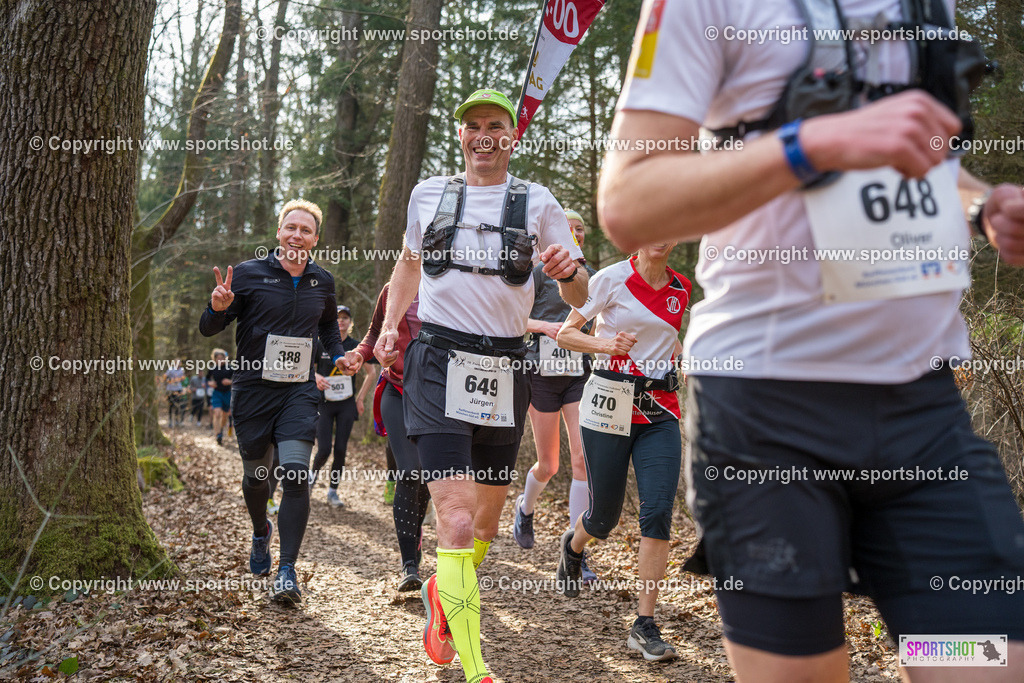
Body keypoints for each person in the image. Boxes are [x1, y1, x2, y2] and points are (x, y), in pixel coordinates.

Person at [600, 2, 1024, 680]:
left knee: (984, 659)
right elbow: (629, 202)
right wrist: (811, 145)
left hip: (923, 413)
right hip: (768, 416)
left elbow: (925, 161)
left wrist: (981, 206)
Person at [373, 88, 588, 683]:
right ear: (461, 135)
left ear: (512, 137)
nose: (484, 135)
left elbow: (579, 291)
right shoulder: (428, 194)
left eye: (496, 124)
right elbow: (409, 262)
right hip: (438, 362)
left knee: (486, 527)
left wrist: (568, 274)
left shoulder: (538, 201)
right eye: (473, 125)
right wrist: (389, 326)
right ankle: (475, 667)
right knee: (457, 517)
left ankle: (444, 594)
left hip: (505, 368)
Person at [199, 198, 352, 605]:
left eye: (306, 230)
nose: (297, 235)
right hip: (252, 389)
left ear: (316, 239)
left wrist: (338, 356)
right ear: (279, 232)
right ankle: (260, 530)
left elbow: (327, 329)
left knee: (296, 475)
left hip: (298, 391)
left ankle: (287, 570)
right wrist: (216, 308)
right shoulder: (250, 274)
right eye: (291, 228)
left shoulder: (322, 281)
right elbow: (208, 329)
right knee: (256, 478)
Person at [555, 242, 689, 662]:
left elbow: (667, 336)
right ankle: (573, 545)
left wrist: (684, 358)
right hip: (608, 407)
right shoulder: (611, 278)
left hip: (660, 411)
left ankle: (644, 624)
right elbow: (566, 333)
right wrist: (606, 345)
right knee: (604, 518)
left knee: (658, 511)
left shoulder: (681, 288)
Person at [513, 209, 598, 584]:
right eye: (569, 228)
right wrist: (545, 326)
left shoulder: (591, 275)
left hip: (578, 374)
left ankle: (575, 553)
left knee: (582, 459)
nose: (575, 233)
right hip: (540, 372)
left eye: (581, 229)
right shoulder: (535, 271)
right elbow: (512, 317)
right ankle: (525, 508)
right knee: (548, 465)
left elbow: (599, 320)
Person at [349, 282, 427, 591]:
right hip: (396, 388)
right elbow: (373, 333)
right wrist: (359, 354)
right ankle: (409, 564)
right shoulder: (394, 288)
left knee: (429, 478)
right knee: (409, 473)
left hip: (438, 396)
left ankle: (415, 533)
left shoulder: (454, 283)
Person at [310, 305, 360, 507]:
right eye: (338, 317)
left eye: (345, 317)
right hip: (324, 403)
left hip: (346, 403)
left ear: (350, 322)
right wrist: (316, 376)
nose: (341, 321)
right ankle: (310, 481)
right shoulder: (321, 343)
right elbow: (307, 367)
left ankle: (333, 492)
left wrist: (360, 399)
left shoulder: (355, 345)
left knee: (340, 449)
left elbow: (371, 372)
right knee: (323, 449)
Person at [206, 349, 233, 445]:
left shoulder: (230, 368)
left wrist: (230, 382)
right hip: (217, 393)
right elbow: (207, 379)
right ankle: (218, 434)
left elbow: (237, 379)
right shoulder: (212, 368)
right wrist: (210, 383)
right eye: (218, 358)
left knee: (225, 416)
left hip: (227, 393)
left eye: (222, 358)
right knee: (217, 413)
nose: (220, 360)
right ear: (215, 359)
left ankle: (221, 429)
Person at [164, 361, 186, 428]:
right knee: (171, 406)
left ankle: (176, 421)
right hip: (171, 390)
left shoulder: (181, 370)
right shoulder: (170, 369)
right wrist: (171, 379)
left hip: (178, 389)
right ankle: (170, 421)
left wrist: (179, 379)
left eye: (179, 363)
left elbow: (183, 378)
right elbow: (165, 377)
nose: (178, 364)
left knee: (178, 405)